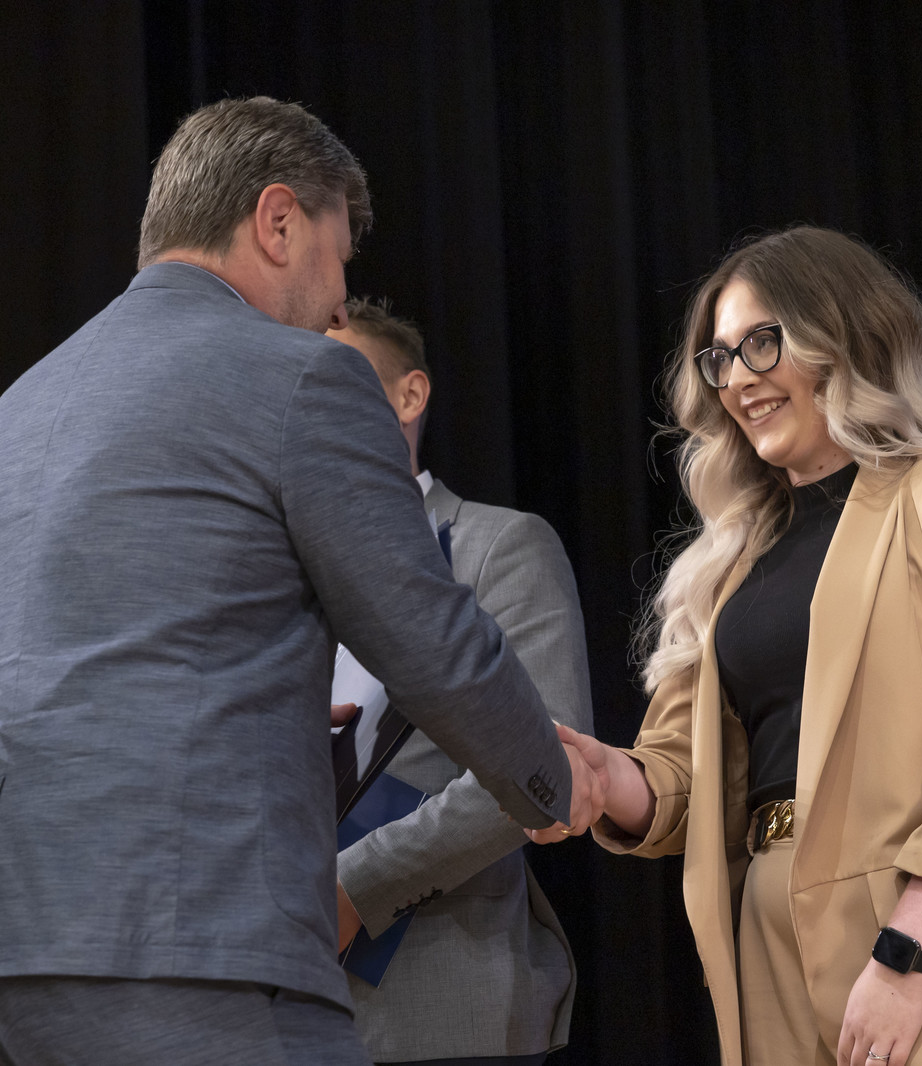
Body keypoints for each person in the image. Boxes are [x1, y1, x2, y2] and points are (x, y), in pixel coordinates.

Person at [0, 97, 588, 1066]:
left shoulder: (12, 413)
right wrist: (554, 781)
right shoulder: (304, 376)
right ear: (277, 221)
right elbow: (429, 640)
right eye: (338, 256)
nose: (341, 304)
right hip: (177, 943)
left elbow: (44, 683)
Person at [532, 226, 922, 1066]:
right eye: (719, 359)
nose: (738, 379)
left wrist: (907, 950)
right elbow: (683, 776)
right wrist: (603, 780)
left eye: (761, 343)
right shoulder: (729, 567)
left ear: (841, 337)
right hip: (771, 937)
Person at [327, 298, 591, 1066]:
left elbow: (549, 762)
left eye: (335, 376)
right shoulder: (272, 578)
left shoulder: (500, 547)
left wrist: (353, 889)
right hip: (279, 1004)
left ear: (410, 393)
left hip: (446, 998)